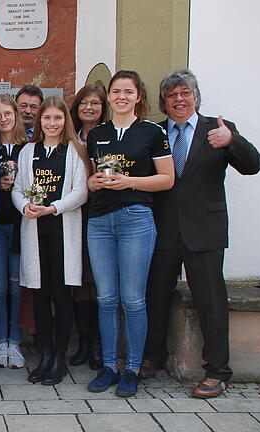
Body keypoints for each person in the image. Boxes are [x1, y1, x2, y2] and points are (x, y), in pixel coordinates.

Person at [141, 69, 260, 398]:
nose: (179, 99)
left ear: (195, 96)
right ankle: (152, 357)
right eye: (171, 95)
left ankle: (218, 372)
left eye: (185, 93)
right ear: (164, 103)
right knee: (156, 296)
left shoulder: (218, 130)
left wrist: (233, 141)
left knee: (211, 302)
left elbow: (253, 165)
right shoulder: (155, 133)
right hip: (162, 229)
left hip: (204, 231)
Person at [85, 71, 174, 397]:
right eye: (115, 91)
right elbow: (97, 176)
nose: (120, 96)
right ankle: (109, 366)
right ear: (109, 97)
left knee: (133, 299)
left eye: (127, 91)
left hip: (136, 217)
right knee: (106, 297)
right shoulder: (98, 134)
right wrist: (94, 183)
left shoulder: (152, 131)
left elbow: (166, 179)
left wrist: (130, 182)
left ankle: (132, 368)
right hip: (99, 221)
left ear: (138, 96)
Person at [11, 96, 89, 385]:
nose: (52, 123)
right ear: (40, 121)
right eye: (47, 118)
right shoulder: (29, 151)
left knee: (61, 295)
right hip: (35, 233)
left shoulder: (74, 151)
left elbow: (80, 192)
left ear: (65, 120)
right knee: (40, 296)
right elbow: (18, 189)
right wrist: (25, 207)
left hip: (63, 233)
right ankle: (44, 353)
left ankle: (59, 357)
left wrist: (53, 208)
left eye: (58, 118)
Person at [0, 94, 28, 368]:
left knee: (18, 287)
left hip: (23, 225)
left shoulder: (28, 147)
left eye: (8, 114)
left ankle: (16, 341)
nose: (3, 119)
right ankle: (1, 342)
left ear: (16, 115)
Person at [68, 85, 109, 369]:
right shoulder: (70, 139)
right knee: (80, 281)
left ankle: (98, 345)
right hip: (73, 216)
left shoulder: (108, 136)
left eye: (95, 103)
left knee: (99, 282)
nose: (90, 108)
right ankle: (83, 343)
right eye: (85, 102)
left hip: (100, 213)